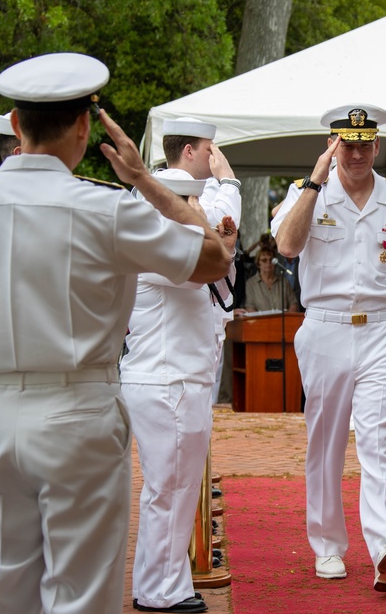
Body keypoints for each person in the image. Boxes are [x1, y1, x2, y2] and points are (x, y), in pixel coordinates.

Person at [0, 52, 233, 614]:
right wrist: (141, 180)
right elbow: (212, 260)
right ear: (85, 126)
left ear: (15, 124)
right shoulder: (107, 209)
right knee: (80, 594)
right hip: (80, 414)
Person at [272, 104, 386, 593]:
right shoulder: (308, 195)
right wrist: (315, 183)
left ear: (377, 146)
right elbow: (287, 246)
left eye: (365, 144)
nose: (357, 153)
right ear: (333, 145)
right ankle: (326, 546)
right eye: (348, 143)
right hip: (325, 327)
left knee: (380, 441)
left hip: (382, 329)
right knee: (326, 442)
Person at [121, 168, 229, 614]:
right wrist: (202, 222)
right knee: (171, 490)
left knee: (171, 489)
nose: (196, 209)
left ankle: (160, 582)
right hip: (168, 383)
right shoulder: (158, 248)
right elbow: (213, 264)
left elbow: (220, 275)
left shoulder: (157, 245)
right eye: (188, 201)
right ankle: (161, 591)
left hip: (173, 380)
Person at [161, 117, 242, 409]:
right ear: (189, 151)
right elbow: (214, 220)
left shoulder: (205, 190)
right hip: (175, 328)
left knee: (198, 421)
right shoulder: (168, 188)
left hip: (204, 316)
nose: (216, 156)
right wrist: (229, 181)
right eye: (210, 148)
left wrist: (228, 250)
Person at [241, 246, 298, 313]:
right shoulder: (251, 283)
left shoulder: (284, 281)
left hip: (283, 322)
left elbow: (293, 304)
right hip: (261, 322)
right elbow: (249, 307)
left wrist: (287, 320)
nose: (268, 262)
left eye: (271, 260)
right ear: (258, 263)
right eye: (264, 260)